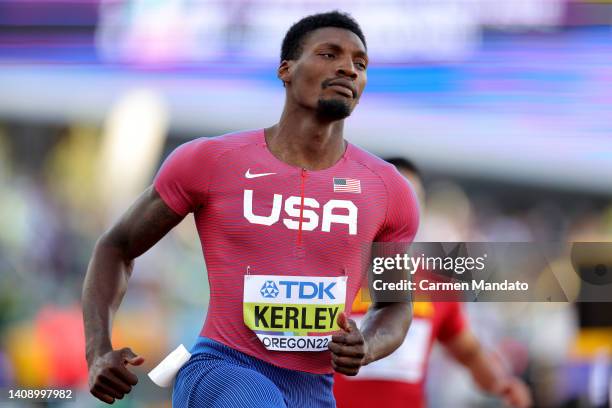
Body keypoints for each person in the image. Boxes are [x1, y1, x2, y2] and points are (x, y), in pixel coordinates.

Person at [82, 11, 420, 408]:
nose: (347, 68)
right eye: (329, 55)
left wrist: (368, 345)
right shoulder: (210, 161)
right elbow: (116, 247)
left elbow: (395, 305)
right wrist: (97, 351)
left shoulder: (387, 188)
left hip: (313, 390)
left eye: (359, 64)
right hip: (222, 369)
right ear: (286, 69)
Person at [333, 157, 532, 408]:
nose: (398, 211)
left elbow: (468, 352)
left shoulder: (438, 287)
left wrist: (500, 384)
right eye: (389, 199)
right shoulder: (329, 275)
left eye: (409, 201)